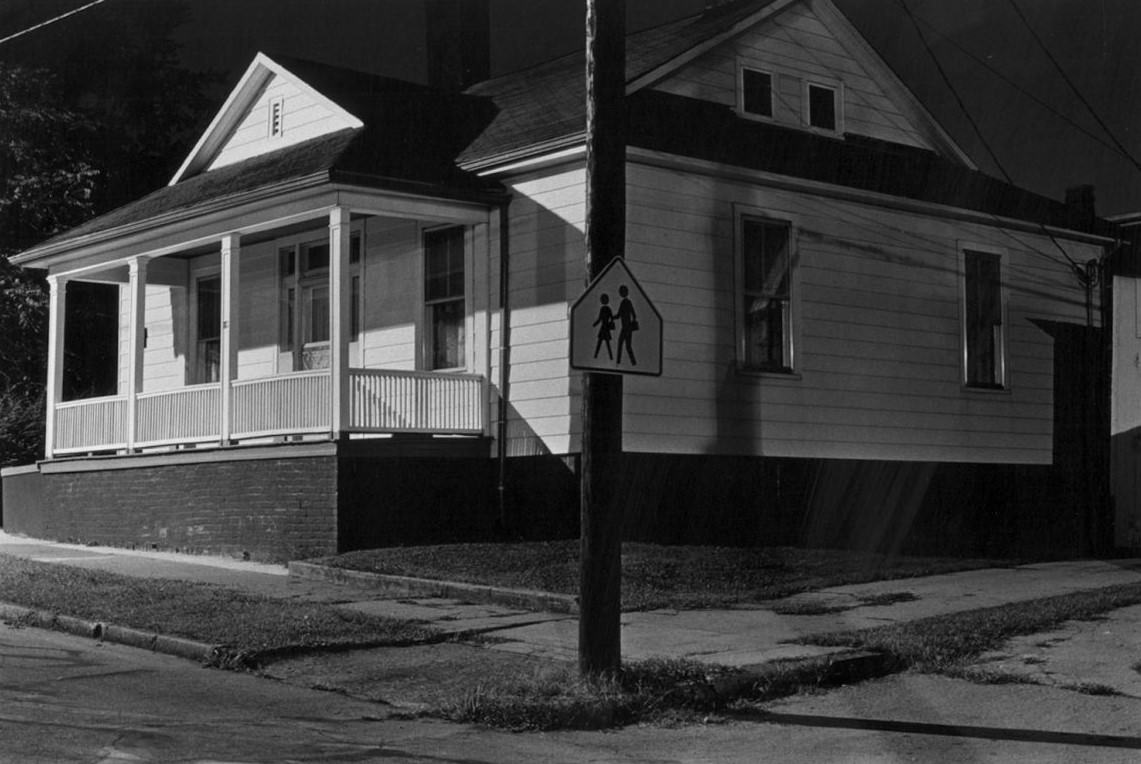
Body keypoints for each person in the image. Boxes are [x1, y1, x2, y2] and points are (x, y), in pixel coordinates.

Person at [616, 284, 637, 365]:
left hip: (626, 328)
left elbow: (619, 315)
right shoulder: (625, 302)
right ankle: (633, 362)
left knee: (622, 344)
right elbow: (633, 314)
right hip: (626, 327)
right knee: (626, 346)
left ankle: (619, 362)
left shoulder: (626, 302)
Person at [592, 293, 615, 359]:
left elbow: (600, 319)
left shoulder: (605, 309)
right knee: (601, 342)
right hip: (605, 328)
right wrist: (594, 324)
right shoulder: (606, 309)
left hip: (605, 328)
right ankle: (596, 356)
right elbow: (610, 318)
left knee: (604, 343)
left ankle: (610, 357)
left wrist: (594, 324)